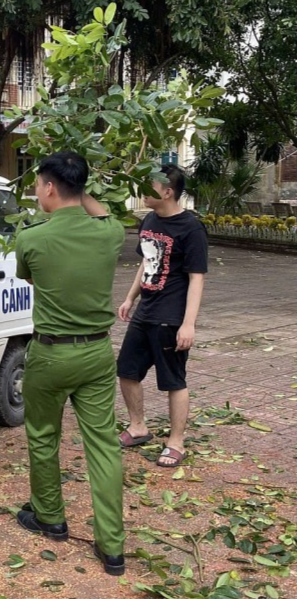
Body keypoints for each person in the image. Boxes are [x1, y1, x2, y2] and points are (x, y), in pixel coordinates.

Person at [14, 151, 126, 576]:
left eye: (39, 184)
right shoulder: (110, 232)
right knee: (103, 446)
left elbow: (28, 277)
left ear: (49, 187)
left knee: (43, 436)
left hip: (51, 353)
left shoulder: (32, 237)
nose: (37, 191)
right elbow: (103, 212)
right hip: (97, 353)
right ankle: (112, 547)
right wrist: (81, 191)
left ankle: (51, 517)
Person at [116, 165, 207, 468]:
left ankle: (176, 442)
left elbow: (196, 278)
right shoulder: (149, 220)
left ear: (168, 192)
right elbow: (147, 262)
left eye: (149, 184)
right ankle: (138, 427)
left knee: (173, 381)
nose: (142, 188)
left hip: (171, 317)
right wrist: (131, 297)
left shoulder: (191, 228)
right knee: (127, 370)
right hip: (146, 311)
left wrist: (188, 324)